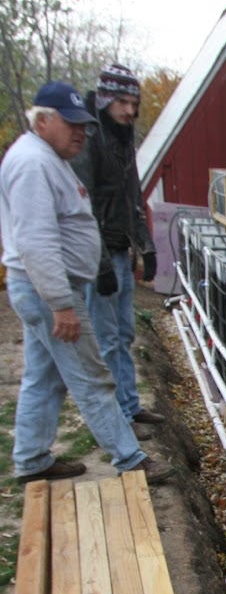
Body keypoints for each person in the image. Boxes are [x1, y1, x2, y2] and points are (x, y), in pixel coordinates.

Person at [0, 80, 171, 485]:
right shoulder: (32, 164)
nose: (81, 132)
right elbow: (36, 240)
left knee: (45, 375)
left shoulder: (47, 159)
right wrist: (61, 303)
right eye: (71, 124)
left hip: (46, 287)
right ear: (42, 121)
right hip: (49, 291)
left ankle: (31, 458)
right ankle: (130, 459)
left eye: (84, 124)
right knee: (92, 376)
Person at [72, 62, 162, 434]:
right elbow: (83, 204)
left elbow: (132, 196)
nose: (129, 110)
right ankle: (119, 419)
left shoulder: (124, 138)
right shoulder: (90, 139)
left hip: (120, 250)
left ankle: (130, 405)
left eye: (134, 102)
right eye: (123, 102)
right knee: (107, 340)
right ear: (106, 98)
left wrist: (146, 245)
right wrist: (99, 264)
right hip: (99, 255)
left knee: (124, 334)